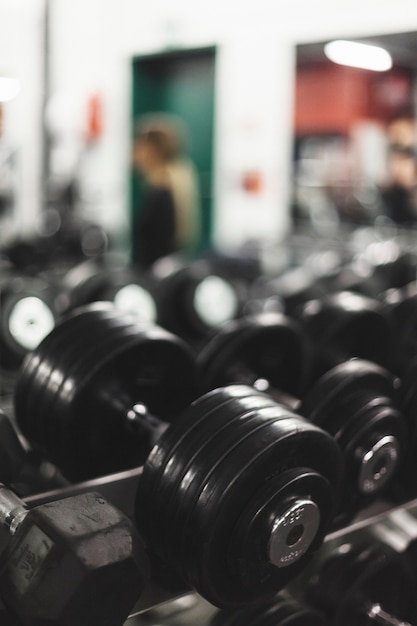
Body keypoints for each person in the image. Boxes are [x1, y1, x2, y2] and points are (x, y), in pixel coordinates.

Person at [132, 114, 201, 269]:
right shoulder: (168, 183)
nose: (135, 151)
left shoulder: (163, 190)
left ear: (151, 150)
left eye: (139, 145)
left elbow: (160, 243)